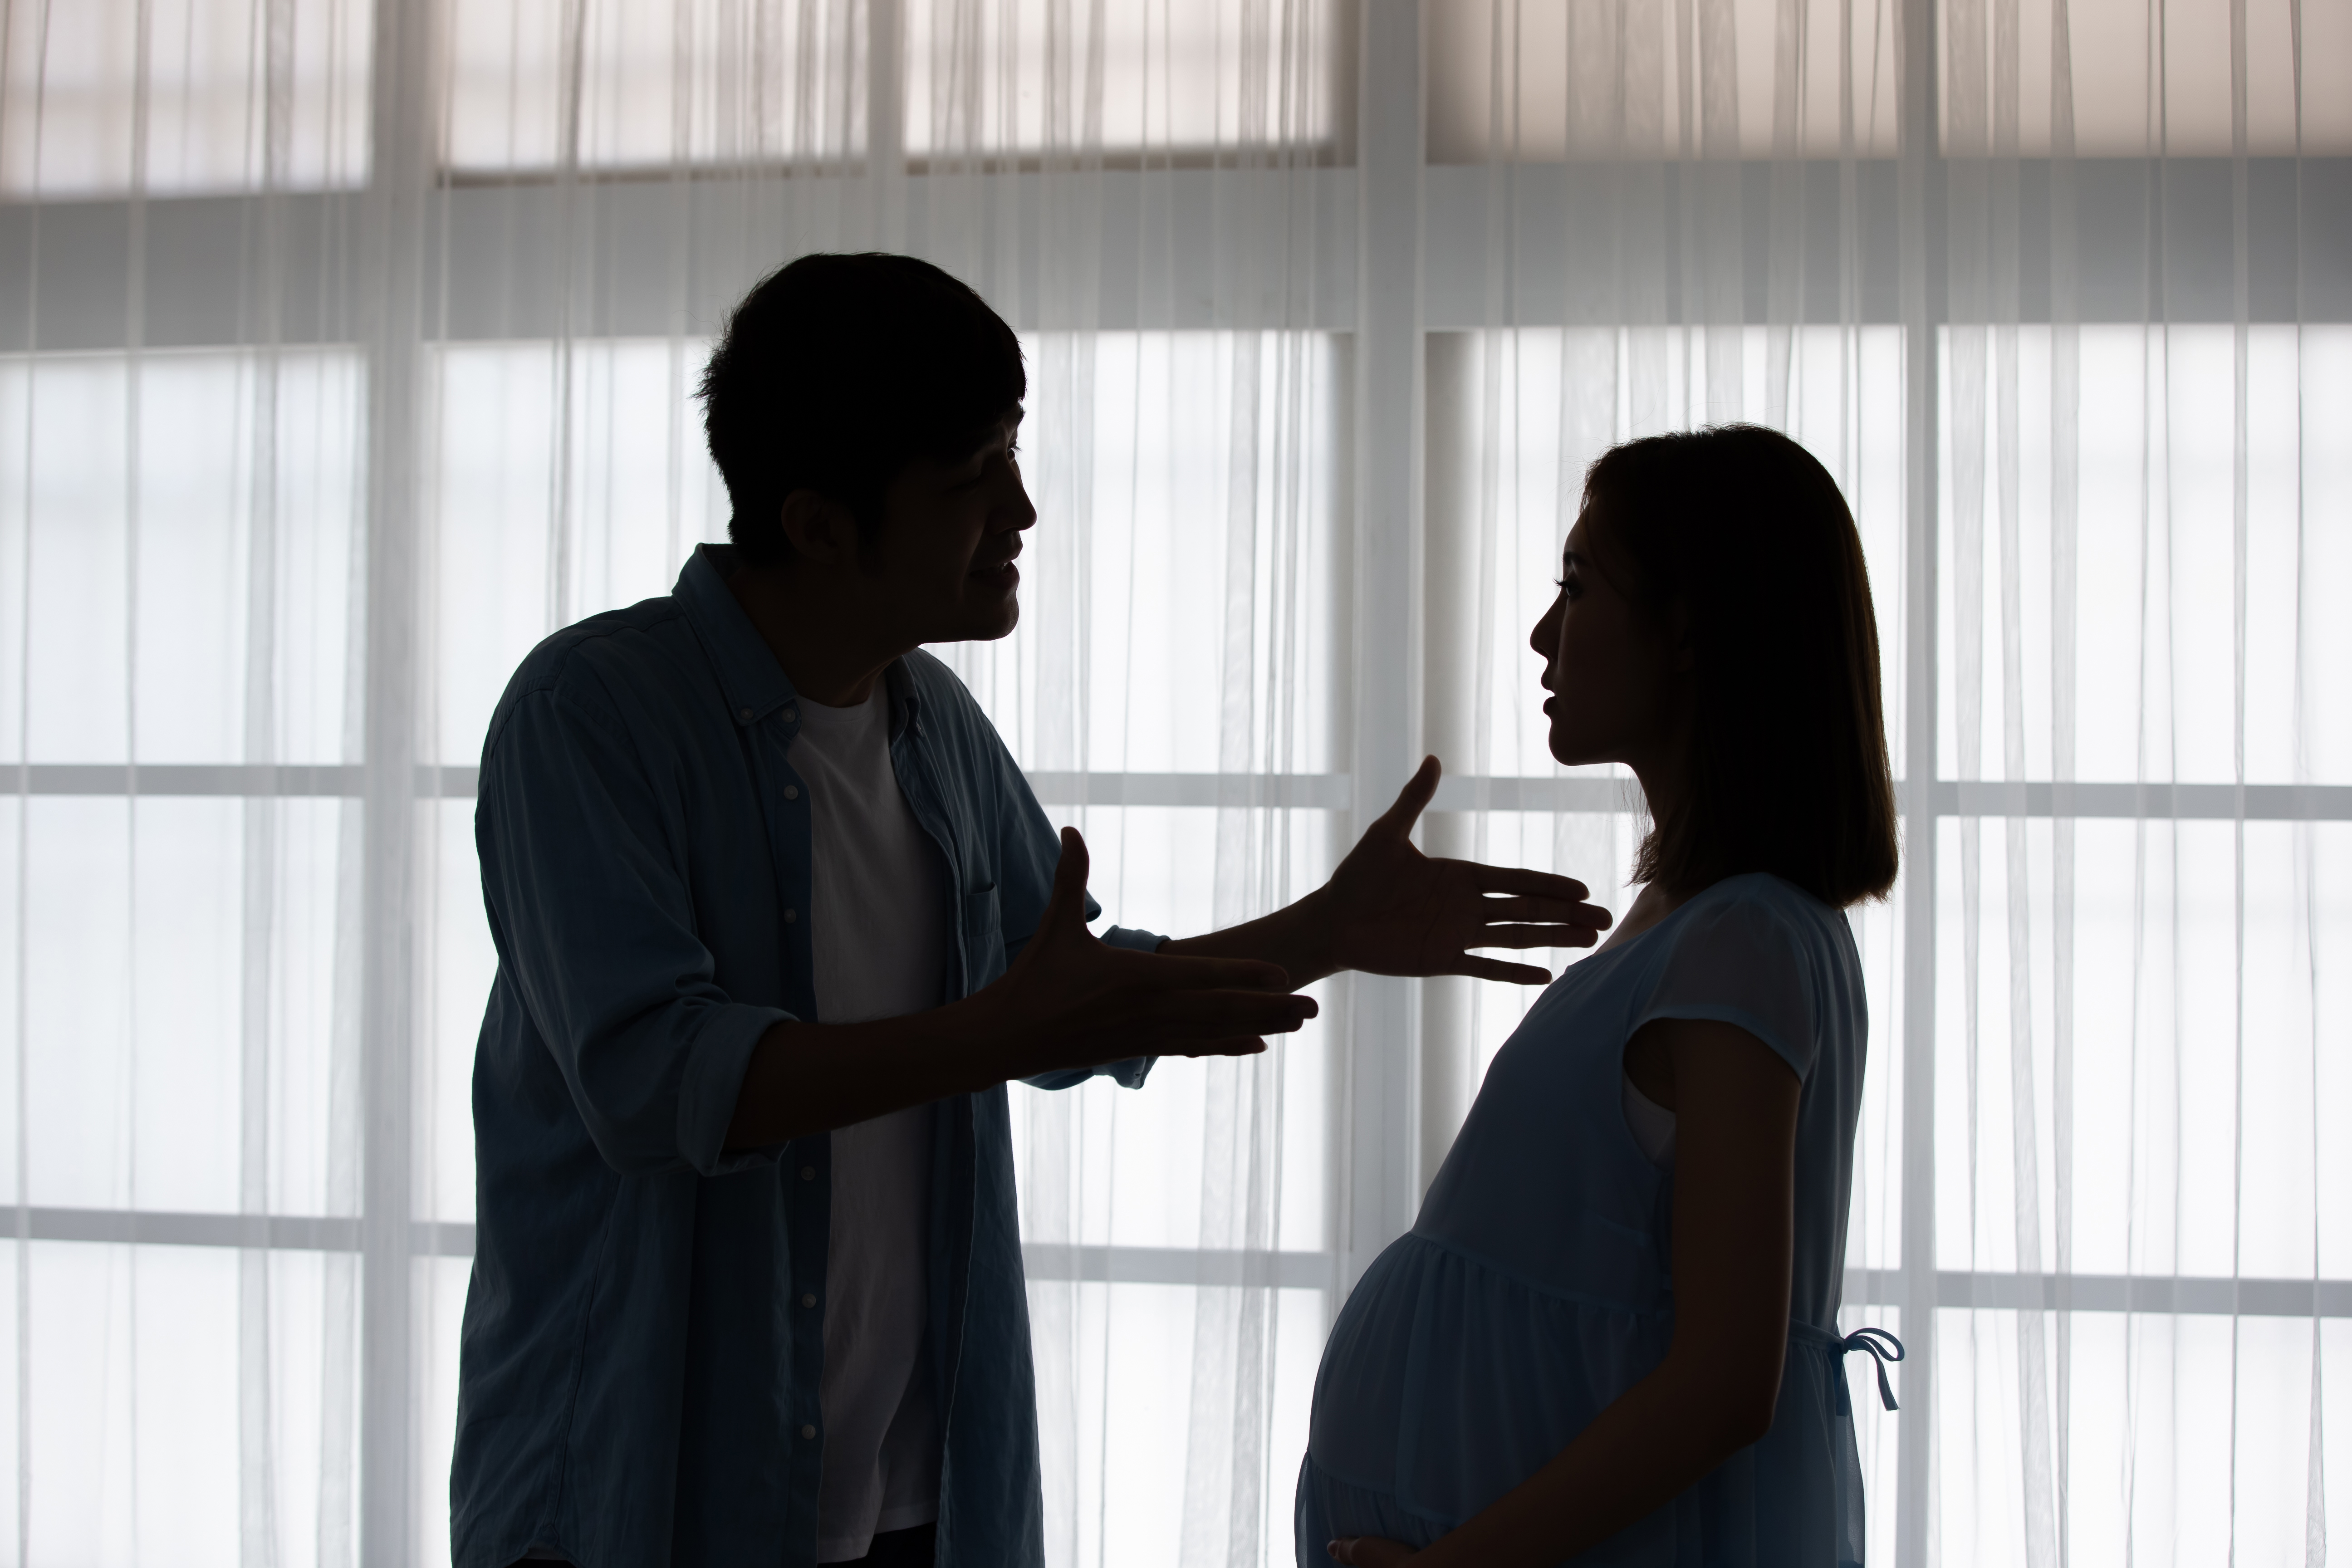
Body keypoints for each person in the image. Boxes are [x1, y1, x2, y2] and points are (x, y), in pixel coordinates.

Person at [449, 252, 1613, 1568]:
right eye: (972, 480)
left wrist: (1322, 931)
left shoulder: (929, 721)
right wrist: (1003, 1029)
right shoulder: (588, 715)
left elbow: (1053, 999)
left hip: (912, 1503)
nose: (1024, 509)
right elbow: (659, 1085)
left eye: (1014, 455)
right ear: (823, 524)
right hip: (632, 1503)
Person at [1303, 425, 1906, 1568]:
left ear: (1690, 630)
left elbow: (1729, 1380)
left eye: (1577, 588)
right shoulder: (1697, 922)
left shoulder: (1744, 938)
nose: (1542, 635)